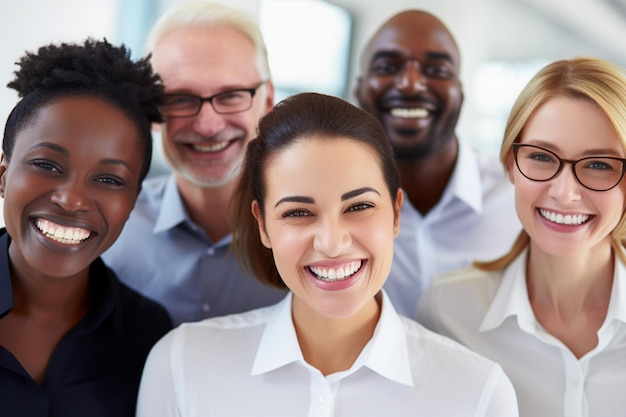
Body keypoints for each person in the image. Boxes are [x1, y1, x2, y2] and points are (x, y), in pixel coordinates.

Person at [136, 92, 519, 417]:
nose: (332, 243)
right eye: (298, 213)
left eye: (358, 207)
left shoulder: (477, 393)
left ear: (396, 213)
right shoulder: (182, 363)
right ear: (264, 226)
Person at [417, 57, 626, 417]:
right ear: (510, 165)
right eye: (542, 157)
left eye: (598, 164)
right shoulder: (447, 309)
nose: (564, 192)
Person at [0, 39, 172, 417]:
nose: (72, 199)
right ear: (3, 174)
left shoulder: (150, 336)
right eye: (47, 165)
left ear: (132, 203)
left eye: (110, 179)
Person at [102, 1, 287, 326]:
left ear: (267, 100)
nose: (208, 125)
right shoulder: (108, 232)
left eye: (230, 95)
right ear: (153, 111)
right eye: (181, 99)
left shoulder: (312, 234)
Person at [354, 10, 521, 317]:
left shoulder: (518, 195)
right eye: (388, 66)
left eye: (436, 69)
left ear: (460, 94)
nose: (411, 84)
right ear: (360, 89)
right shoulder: (331, 203)